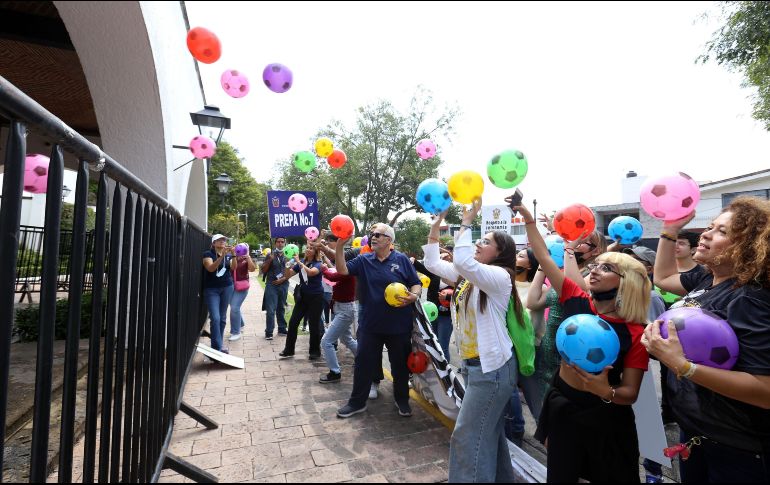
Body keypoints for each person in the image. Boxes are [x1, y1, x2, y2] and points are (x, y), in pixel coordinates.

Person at [516, 202, 651, 483]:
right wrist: (528, 217)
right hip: (563, 407)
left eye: (607, 268)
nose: (596, 270)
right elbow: (543, 254)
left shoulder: (636, 332)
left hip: (607, 418)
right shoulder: (576, 300)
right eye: (597, 265)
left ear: (628, 283)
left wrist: (605, 390)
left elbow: (630, 392)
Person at [645, 196, 770, 483]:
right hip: (700, 433)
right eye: (711, 226)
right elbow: (663, 277)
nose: (706, 233)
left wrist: (681, 365)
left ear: (749, 246)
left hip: (737, 448)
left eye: (722, 231)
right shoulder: (707, 279)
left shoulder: (750, 299)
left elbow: (765, 391)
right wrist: (669, 229)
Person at [424, 199, 522, 483]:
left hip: (492, 370)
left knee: (467, 437)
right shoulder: (469, 278)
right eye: (478, 240)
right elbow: (432, 262)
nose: (479, 244)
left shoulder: (500, 277)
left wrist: (468, 220)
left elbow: (463, 260)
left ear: (500, 252)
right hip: (477, 368)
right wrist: (437, 223)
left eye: (486, 241)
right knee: (488, 435)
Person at [334, 223, 421, 418]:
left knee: (399, 366)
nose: (373, 237)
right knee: (363, 363)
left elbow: (415, 283)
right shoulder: (364, 260)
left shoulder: (402, 260)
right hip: (370, 325)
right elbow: (342, 270)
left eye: (378, 235)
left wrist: (414, 296)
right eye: (372, 234)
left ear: (389, 240)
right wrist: (340, 246)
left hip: (399, 325)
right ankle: (357, 403)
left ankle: (402, 400)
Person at [505, 248, 544, 447]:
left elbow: (529, 323)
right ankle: (515, 434)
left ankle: (549, 438)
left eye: (520, 256)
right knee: (508, 396)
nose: (515, 257)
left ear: (530, 265)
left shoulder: (538, 290)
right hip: (506, 352)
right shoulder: (504, 285)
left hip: (530, 352)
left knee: (536, 400)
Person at [276, 246, 325, 359]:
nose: (308, 250)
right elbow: (288, 275)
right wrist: (288, 265)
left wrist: (298, 262)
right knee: (293, 323)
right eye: (307, 248)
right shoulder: (302, 262)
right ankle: (289, 350)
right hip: (303, 297)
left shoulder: (318, 263)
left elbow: (312, 273)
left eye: (311, 249)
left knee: (314, 324)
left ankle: (314, 352)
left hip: (316, 297)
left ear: (315, 252)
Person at [318, 258, 358, 383]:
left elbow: (332, 276)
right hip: (340, 308)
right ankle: (364, 357)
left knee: (326, 341)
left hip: (345, 310)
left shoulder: (347, 271)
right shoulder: (345, 270)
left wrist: (323, 268)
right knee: (346, 339)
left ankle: (335, 372)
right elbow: (335, 272)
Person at [202, 234, 235, 353]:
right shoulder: (208, 254)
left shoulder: (229, 254)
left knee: (222, 318)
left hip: (227, 287)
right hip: (212, 289)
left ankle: (218, 345)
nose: (222, 241)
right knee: (215, 318)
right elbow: (210, 268)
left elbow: (233, 267)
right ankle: (217, 347)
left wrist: (234, 255)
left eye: (224, 240)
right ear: (213, 243)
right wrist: (222, 257)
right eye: (219, 240)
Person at [261, 237, 289, 340]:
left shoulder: (288, 254)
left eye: (282, 242)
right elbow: (263, 270)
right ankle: (269, 331)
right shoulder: (270, 255)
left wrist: (282, 280)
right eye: (278, 242)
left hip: (284, 284)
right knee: (271, 309)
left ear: (285, 243)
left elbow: (291, 271)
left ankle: (282, 328)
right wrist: (270, 260)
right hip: (271, 284)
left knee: (281, 307)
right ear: (275, 243)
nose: (280, 244)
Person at [229, 244, 257, 342]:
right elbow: (231, 268)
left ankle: (235, 332)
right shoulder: (231, 257)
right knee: (234, 307)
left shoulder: (246, 259)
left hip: (242, 287)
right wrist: (232, 255)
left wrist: (248, 257)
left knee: (234, 307)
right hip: (230, 286)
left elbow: (252, 269)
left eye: (244, 249)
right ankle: (240, 323)